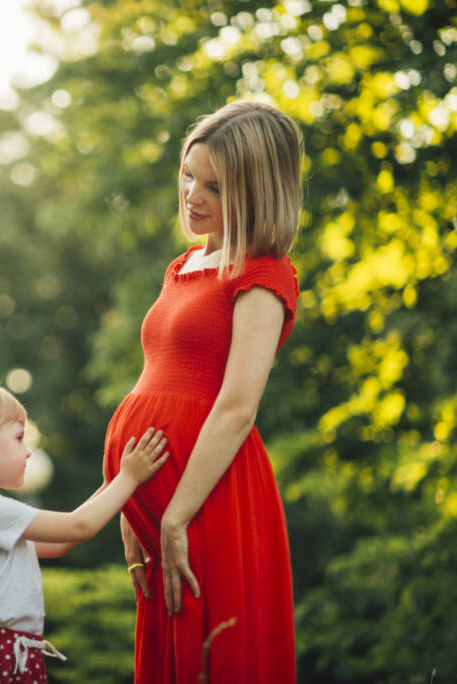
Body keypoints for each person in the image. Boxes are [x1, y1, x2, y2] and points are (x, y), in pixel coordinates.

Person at [103, 99, 303, 682]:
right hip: (155, 501)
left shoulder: (263, 274)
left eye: (213, 186)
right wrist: (128, 500)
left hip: (206, 498)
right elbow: (155, 378)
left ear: (255, 192)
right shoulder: (184, 264)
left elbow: (238, 406)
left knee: (208, 655)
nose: (193, 195)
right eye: (189, 175)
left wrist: (174, 518)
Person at [0, 370, 169, 683]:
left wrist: (112, 481)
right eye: (19, 438)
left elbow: (61, 542)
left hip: (6, 651)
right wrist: (129, 478)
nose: (27, 450)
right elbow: (79, 526)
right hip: (0, 655)